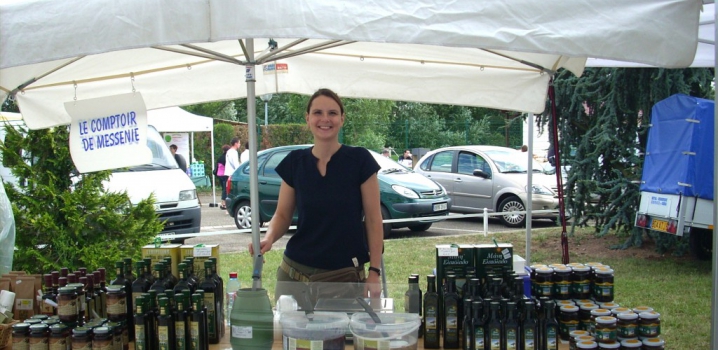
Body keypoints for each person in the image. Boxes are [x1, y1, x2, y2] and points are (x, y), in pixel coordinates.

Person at [248, 88, 383, 302]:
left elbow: (374, 220)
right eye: (318, 112)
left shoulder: (360, 160)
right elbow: (282, 215)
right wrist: (268, 238)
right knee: (288, 336)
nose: (325, 119)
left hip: (343, 280)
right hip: (293, 276)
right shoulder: (295, 162)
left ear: (342, 119)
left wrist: (374, 271)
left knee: (340, 337)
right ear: (308, 118)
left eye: (332, 113)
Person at [216, 144, 230, 210]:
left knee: (223, 189)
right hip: (224, 174)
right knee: (225, 189)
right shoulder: (226, 158)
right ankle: (224, 204)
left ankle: (223, 202)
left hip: (219, 174)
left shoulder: (220, 157)